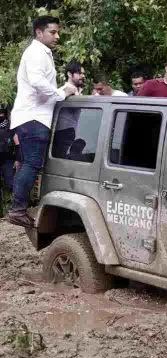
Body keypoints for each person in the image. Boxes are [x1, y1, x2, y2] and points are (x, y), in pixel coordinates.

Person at [8, 15, 77, 227]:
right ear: (39, 32)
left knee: (30, 163)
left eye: (57, 32)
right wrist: (61, 92)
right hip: (34, 117)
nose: (57, 36)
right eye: (52, 32)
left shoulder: (41, 53)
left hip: (34, 117)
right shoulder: (36, 53)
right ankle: (17, 210)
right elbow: (37, 82)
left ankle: (19, 207)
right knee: (32, 162)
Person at [54, 59, 85, 157]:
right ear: (69, 74)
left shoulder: (77, 91)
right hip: (63, 133)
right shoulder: (62, 92)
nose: (82, 76)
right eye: (79, 73)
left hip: (70, 132)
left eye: (83, 74)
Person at [0, 107, 17, 199]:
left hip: (8, 159)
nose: (0, 116)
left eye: (2, 113)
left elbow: (17, 144)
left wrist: (17, 159)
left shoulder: (11, 128)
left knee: (10, 184)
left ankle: (13, 203)